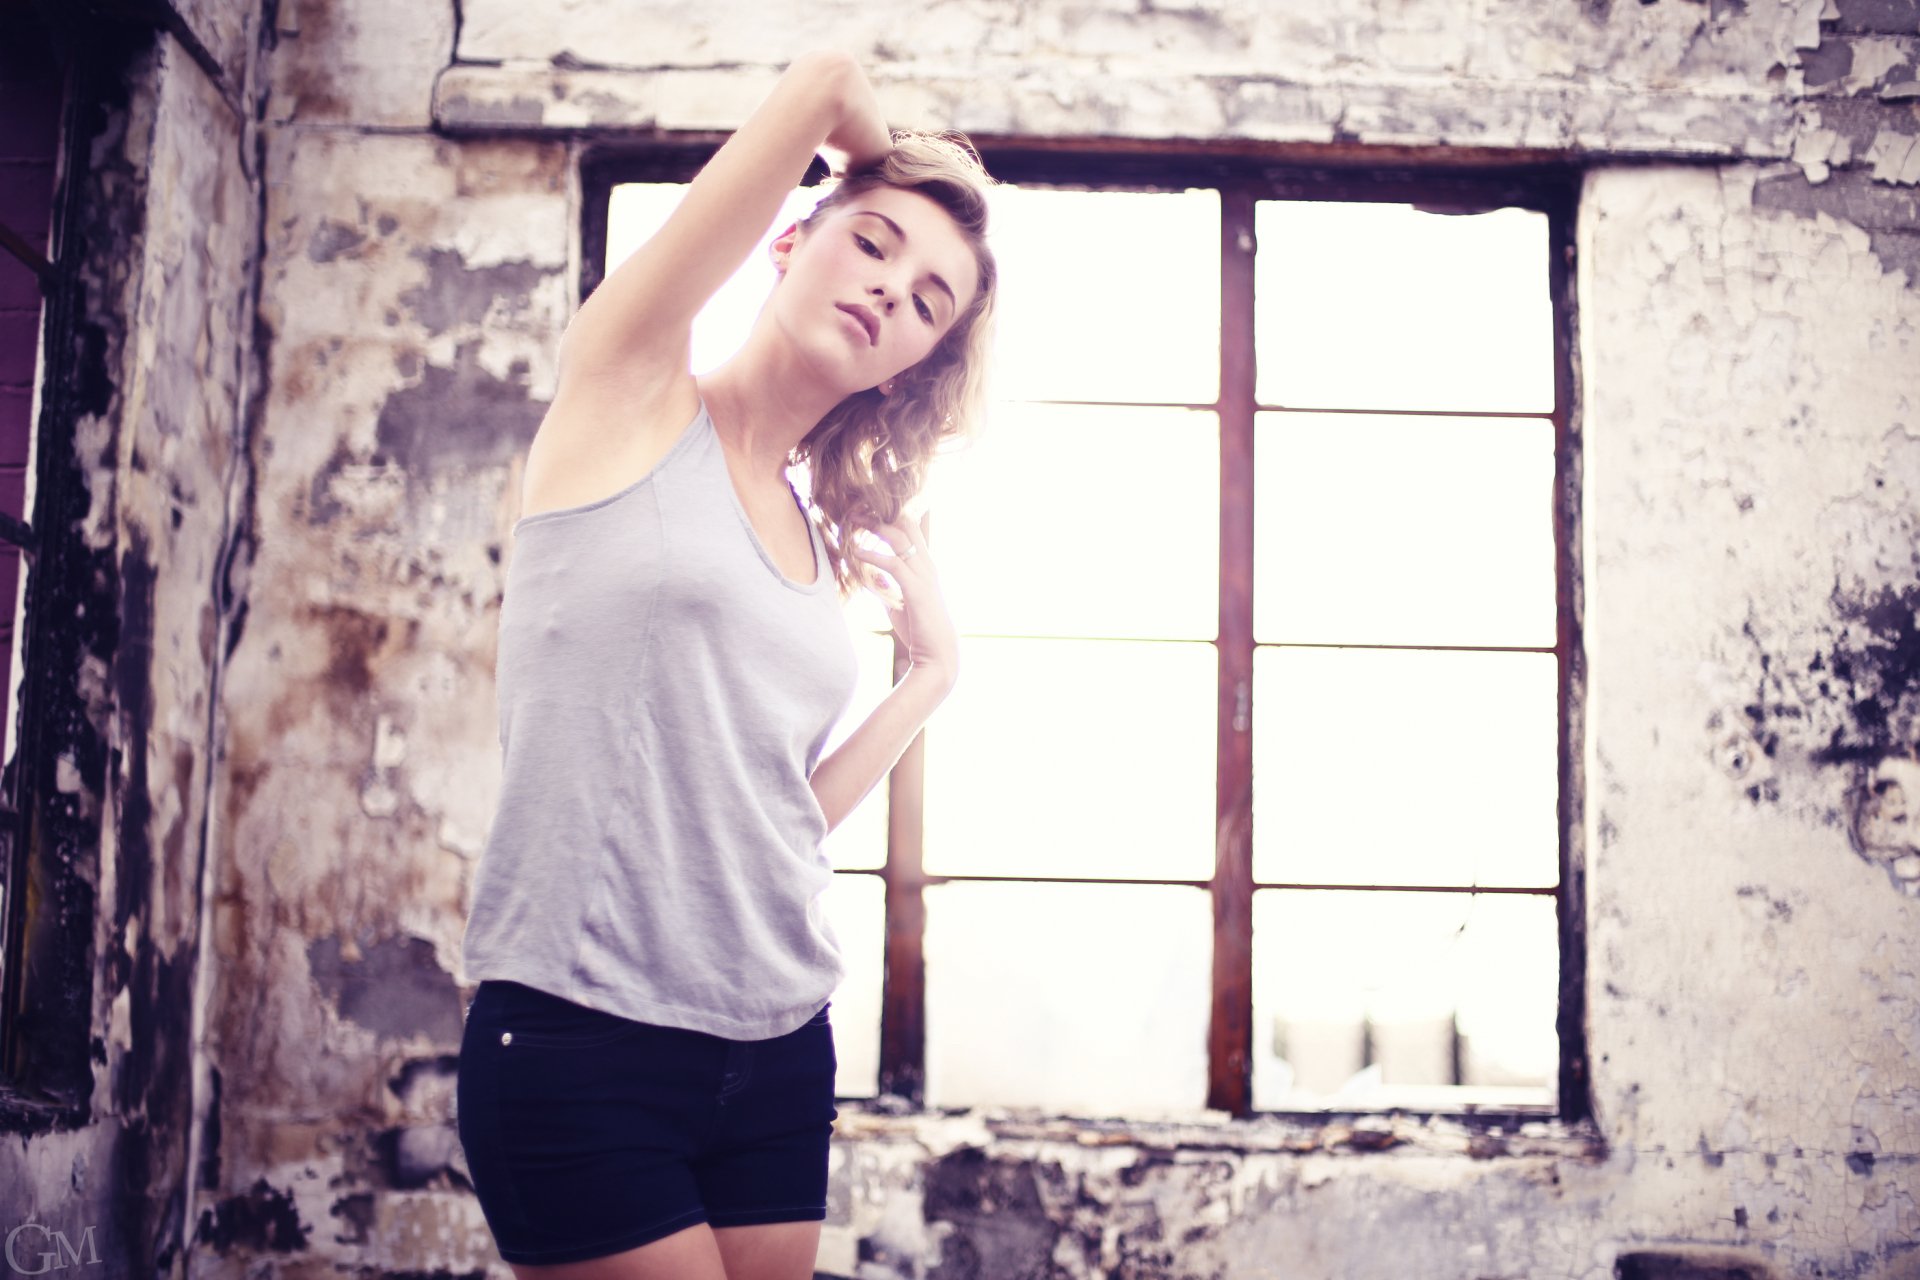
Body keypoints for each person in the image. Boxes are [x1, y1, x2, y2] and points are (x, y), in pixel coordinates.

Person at [454, 50, 999, 1280]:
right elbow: (827, 79)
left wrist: (927, 683)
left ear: (912, 364)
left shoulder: (815, 542)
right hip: (583, 1040)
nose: (890, 293)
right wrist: (871, 151)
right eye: (872, 244)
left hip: (774, 1046)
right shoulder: (632, 388)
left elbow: (772, 819)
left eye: (926, 301)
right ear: (787, 240)